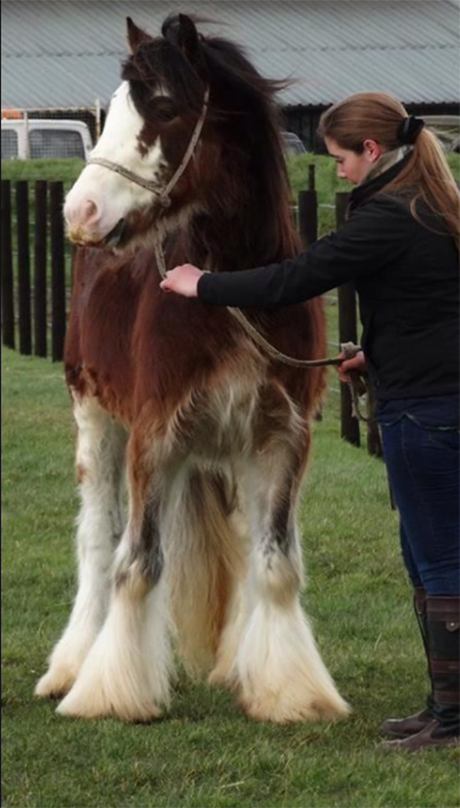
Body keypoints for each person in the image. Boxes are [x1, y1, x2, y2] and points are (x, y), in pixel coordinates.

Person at [160, 91, 460, 751]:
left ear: (372, 151)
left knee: (439, 561)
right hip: (437, 399)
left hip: (425, 413)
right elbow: (435, 309)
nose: (339, 170)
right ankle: (442, 706)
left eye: (340, 159)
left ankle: (453, 721)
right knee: (430, 556)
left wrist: (201, 284)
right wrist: (369, 355)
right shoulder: (436, 205)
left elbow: (297, 278)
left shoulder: (387, 216)